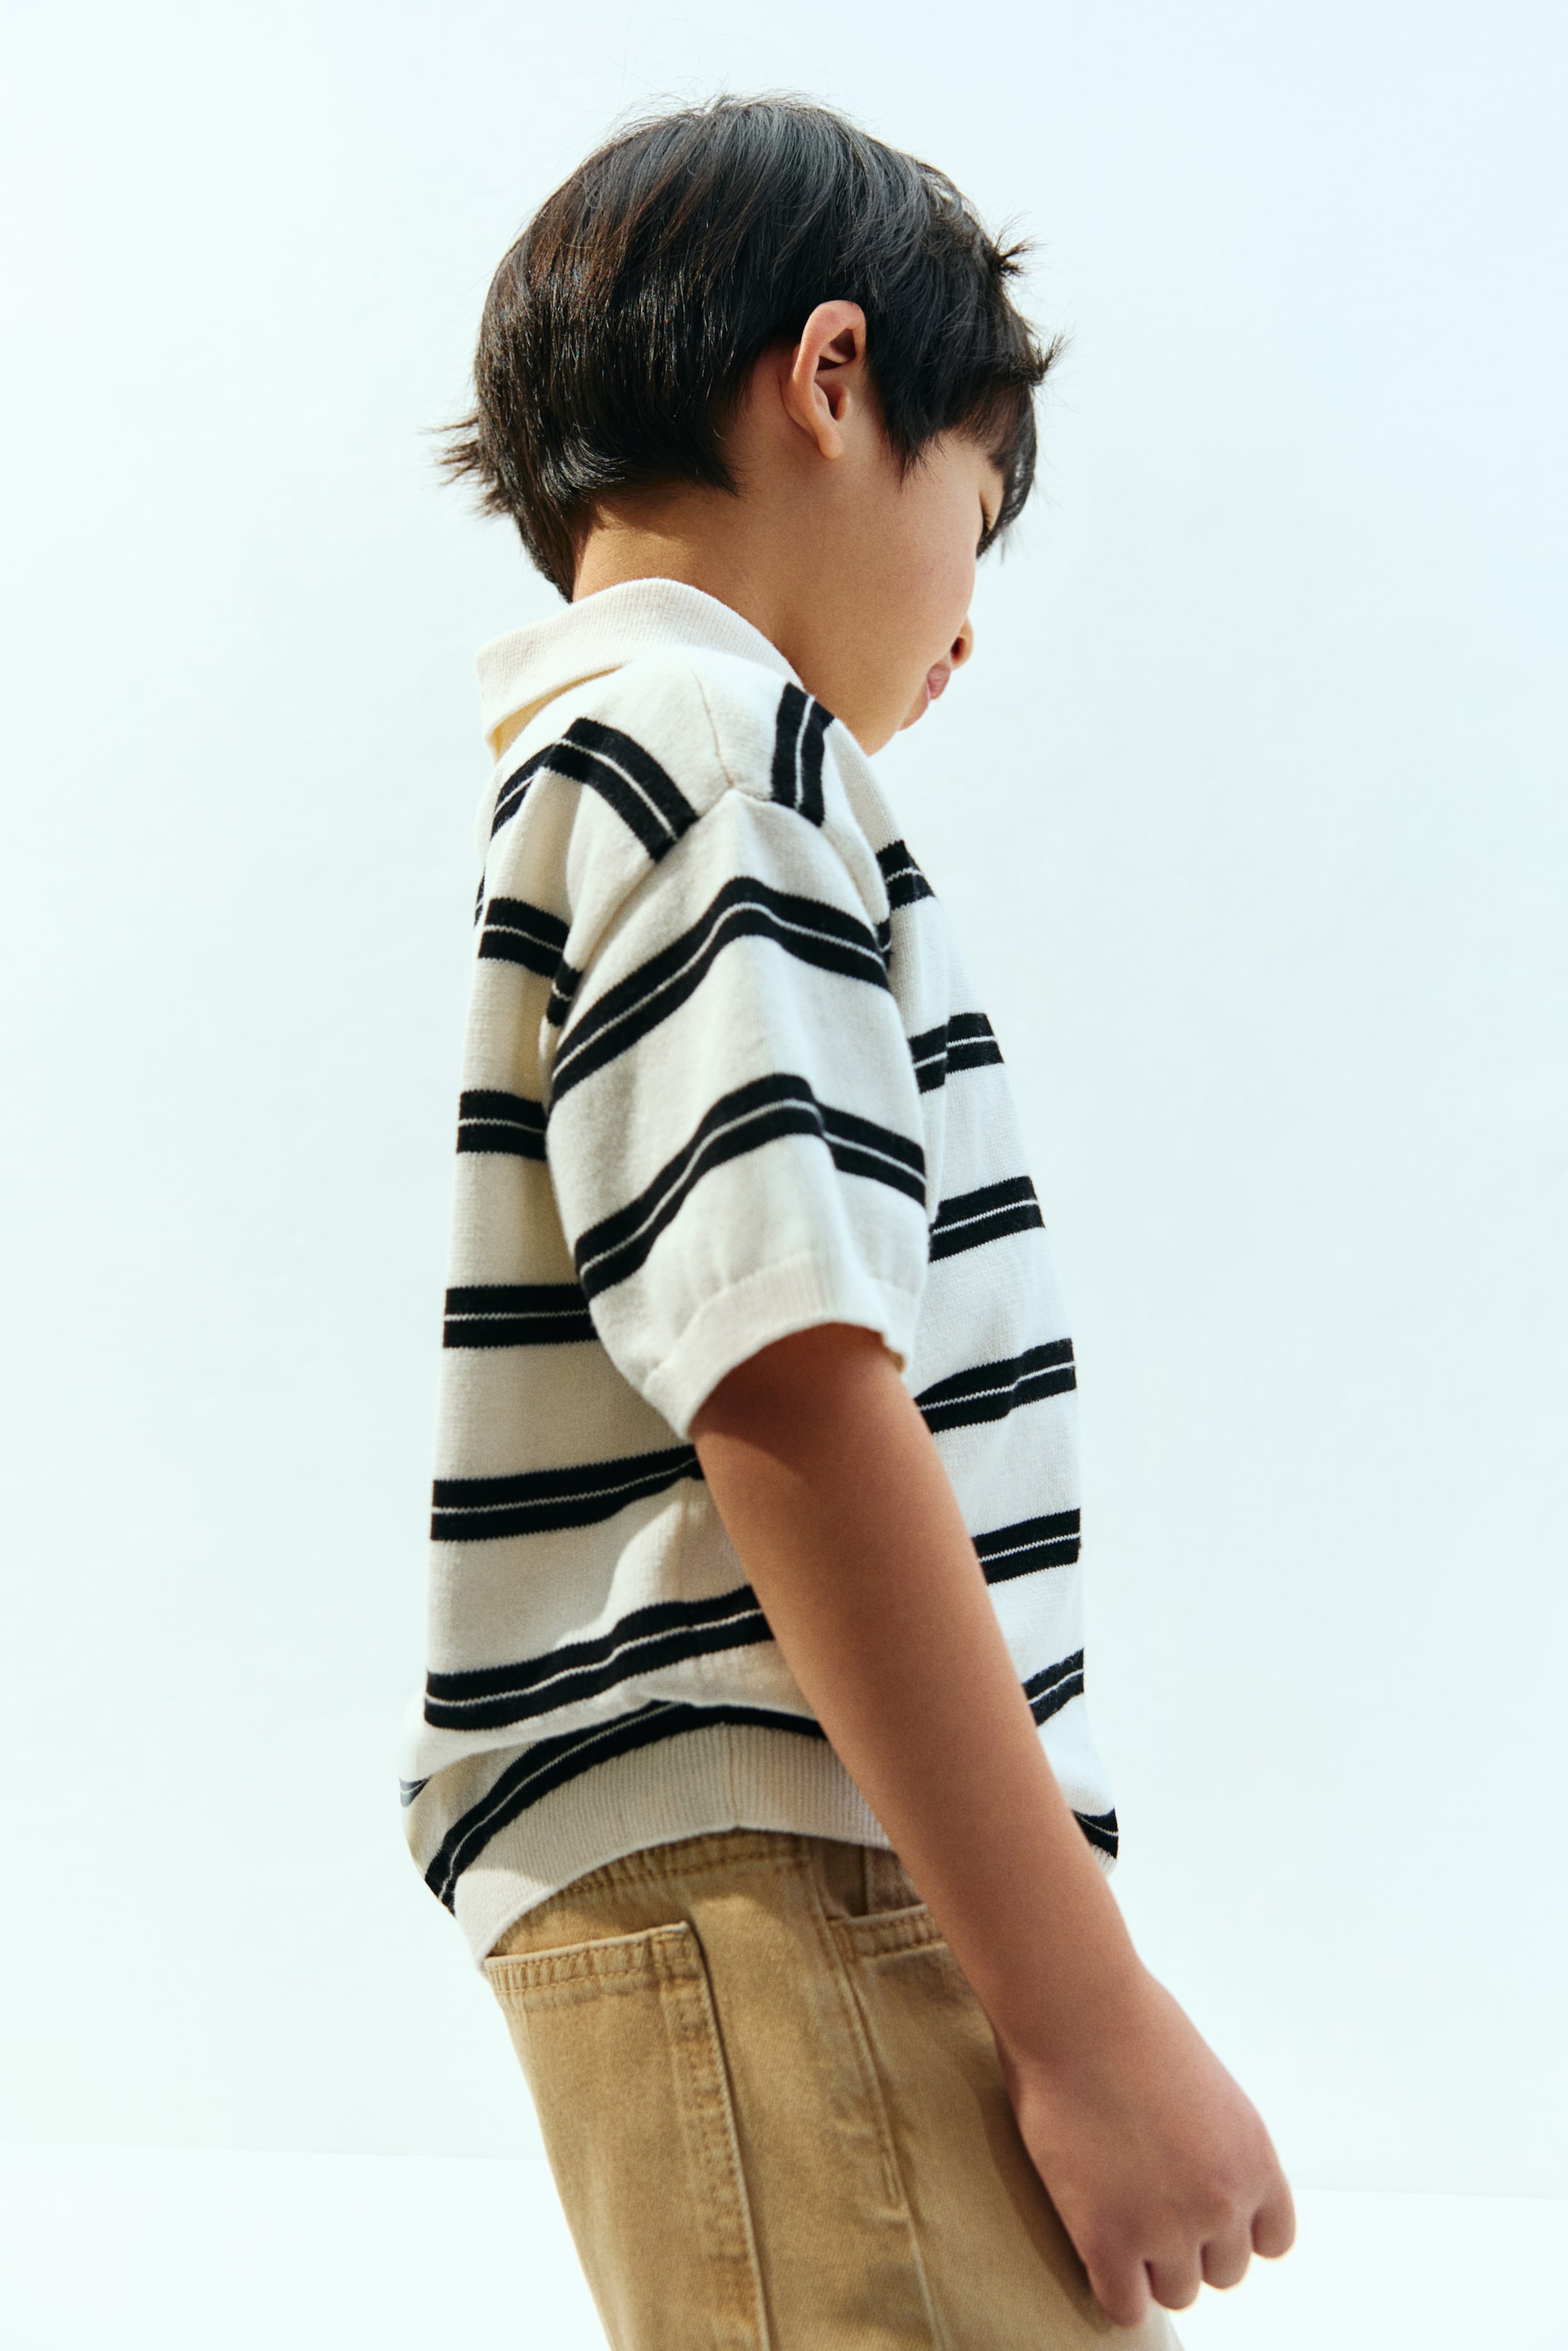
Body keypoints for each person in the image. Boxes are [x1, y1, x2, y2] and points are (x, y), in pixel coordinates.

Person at [401, 95, 1294, 2349]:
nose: (968, 629)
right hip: (797, 1868)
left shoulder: (617, 769)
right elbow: (791, 1383)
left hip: (766, 1869)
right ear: (830, 378)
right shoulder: (719, 756)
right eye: (974, 512)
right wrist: (1089, 2016)